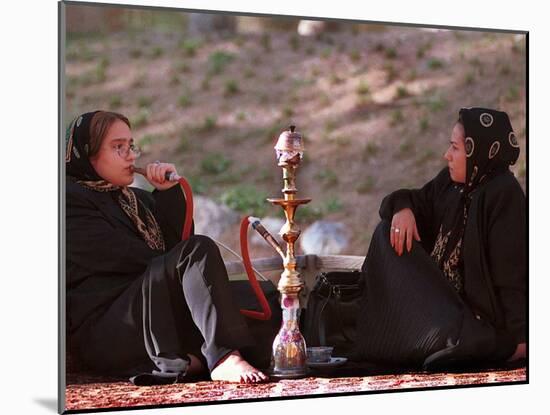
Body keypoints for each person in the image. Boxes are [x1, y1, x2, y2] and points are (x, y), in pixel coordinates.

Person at [66, 110, 270, 384]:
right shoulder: (68, 200)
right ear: (87, 153)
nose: (130, 155)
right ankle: (221, 357)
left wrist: (166, 194)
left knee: (261, 297)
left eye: (130, 145)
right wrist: (182, 260)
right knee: (199, 250)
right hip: (111, 326)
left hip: (156, 311)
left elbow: (177, 250)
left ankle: (196, 361)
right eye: (118, 147)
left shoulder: (137, 199)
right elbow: (130, 258)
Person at [353, 107, 526, 369]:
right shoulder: (451, 183)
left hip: (473, 320)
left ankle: (458, 342)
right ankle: (435, 341)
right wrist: (403, 209)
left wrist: (521, 339)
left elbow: (511, 273)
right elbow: (412, 198)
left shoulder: (502, 194)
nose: (447, 155)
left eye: (455, 148)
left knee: (452, 337)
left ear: (476, 150)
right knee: (385, 233)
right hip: (438, 304)